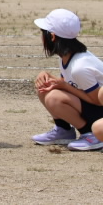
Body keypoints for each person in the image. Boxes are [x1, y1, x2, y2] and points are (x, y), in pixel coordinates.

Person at [31, 9, 103, 151]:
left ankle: (90, 134)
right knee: (45, 87)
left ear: (52, 36)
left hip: (99, 110)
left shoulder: (80, 66)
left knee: (54, 97)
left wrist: (63, 85)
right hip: (91, 106)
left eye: (43, 32)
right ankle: (63, 129)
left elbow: (96, 100)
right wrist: (48, 76)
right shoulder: (67, 55)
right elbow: (70, 83)